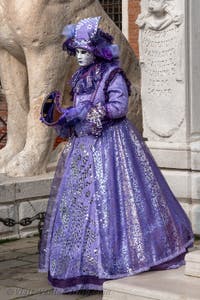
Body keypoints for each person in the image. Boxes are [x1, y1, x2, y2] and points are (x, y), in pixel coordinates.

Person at [38, 16, 194, 294]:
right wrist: (62, 117)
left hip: (111, 145)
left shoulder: (112, 75)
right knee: (79, 205)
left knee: (113, 199)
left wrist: (85, 112)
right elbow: (74, 108)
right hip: (83, 148)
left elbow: (118, 107)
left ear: (97, 51)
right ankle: (81, 265)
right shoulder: (78, 77)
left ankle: (120, 257)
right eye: (77, 51)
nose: (80, 57)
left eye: (85, 51)